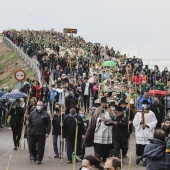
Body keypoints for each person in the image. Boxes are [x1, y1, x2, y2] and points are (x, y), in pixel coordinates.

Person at [133, 100, 157, 165]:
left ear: (148, 105)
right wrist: (140, 122)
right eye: (143, 104)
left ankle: (145, 159)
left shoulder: (151, 113)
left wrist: (147, 125)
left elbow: (154, 122)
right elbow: (134, 122)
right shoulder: (138, 113)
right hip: (140, 132)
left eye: (146, 104)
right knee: (139, 146)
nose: (144, 105)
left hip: (147, 132)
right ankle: (139, 156)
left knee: (146, 146)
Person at [92, 97, 114, 162]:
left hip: (107, 129)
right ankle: (97, 156)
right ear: (101, 103)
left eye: (105, 103)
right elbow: (93, 119)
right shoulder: (97, 109)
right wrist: (99, 119)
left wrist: (106, 120)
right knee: (98, 144)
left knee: (106, 145)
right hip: (99, 129)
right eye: (103, 103)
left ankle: (105, 156)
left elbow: (114, 119)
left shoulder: (110, 110)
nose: (104, 104)